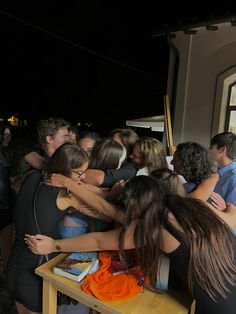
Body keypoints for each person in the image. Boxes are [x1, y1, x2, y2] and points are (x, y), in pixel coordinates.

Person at [26, 174, 236, 314]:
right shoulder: (193, 204)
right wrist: (230, 208)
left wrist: (54, 245)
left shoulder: (153, 225)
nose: (127, 212)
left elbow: (99, 241)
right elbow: (233, 217)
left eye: (129, 206)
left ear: (137, 202)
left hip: (219, 303)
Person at [6, 143, 121, 314]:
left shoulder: (30, 177)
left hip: (14, 268)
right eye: (79, 173)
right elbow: (107, 212)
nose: (81, 178)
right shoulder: (66, 195)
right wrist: (114, 194)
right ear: (65, 170)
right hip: (36, 270)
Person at [209, 132, 236, 205]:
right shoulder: (219, 173)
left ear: (222, 149)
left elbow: (231, 213)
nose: (209, 150)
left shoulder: (233, 177)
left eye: (211, 147)